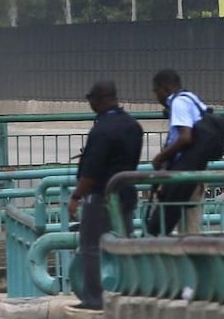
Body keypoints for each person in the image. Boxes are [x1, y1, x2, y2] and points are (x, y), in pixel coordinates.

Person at [68, 81, 143, 311]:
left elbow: (92, 171)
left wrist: (76, 197)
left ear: (99, 99)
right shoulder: (133, 126)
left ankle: (94, 298)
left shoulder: (101, 130)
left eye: (90, 99)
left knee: (91, 246)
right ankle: (130, 293)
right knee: (124, 243)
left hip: (100, 196)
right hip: (126, 192)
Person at [147, 68, 211, 236]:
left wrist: (161, 157)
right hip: (197, 170)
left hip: (182, 172)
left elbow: (185, 137)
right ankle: (189, 257)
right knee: (190, 227)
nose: (157, 97)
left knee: (160, 222)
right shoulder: (193, 99)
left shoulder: (178, 103)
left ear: (166, 88)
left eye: (156, 91)